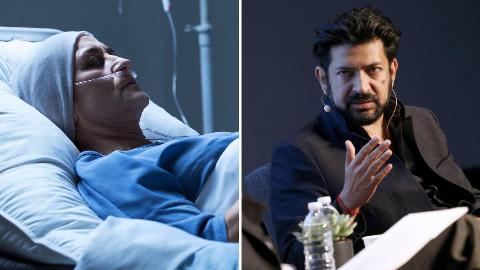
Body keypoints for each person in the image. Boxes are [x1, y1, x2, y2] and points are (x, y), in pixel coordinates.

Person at [269, 7, 480, 268]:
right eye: (345, 73)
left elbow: (467, 198)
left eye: (373, 70)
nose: (362, 87)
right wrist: (347, 203)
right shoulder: (299, 152)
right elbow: (295, 257)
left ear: (392, 71)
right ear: (324, 79)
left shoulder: (422, 120)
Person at [9, 31, 239, 243]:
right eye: (94, 63)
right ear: (64, 107)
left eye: (111, 53)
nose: (123, 62)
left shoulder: (165, 147)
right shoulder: (108, 170)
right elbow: (204, 242)